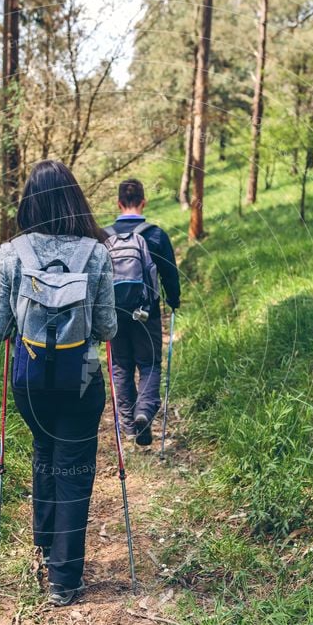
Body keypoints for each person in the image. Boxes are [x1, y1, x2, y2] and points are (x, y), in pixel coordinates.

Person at [0, 160, 117, 607]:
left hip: (30, 379)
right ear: (74, 198)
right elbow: (107, 327)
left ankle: (43, 548)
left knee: (44, 450)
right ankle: (65, 579)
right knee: (74, 469)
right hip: (80, 378)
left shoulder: (10, 253)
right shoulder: (96, 253)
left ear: (29, 202)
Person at [106, 178, 180, 445]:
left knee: (120, 366)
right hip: (147, 313)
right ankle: (144, 413)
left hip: (114, 314)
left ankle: (128, 424)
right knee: (149, 365)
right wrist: (174, 300)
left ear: (118, 203)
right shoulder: (156, 234)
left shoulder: (104, 236)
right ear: (143, 202)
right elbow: (170, 273)